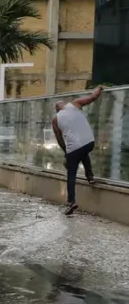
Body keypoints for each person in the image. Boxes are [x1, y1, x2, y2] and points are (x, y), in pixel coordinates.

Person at [53, 85, 102, 216]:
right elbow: (93, 97)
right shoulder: (75, 104)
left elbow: (59, 139)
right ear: (64, 104)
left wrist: (66, 153)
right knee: (83, 152)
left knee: (71, 175)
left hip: (74, 148)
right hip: (89, 142)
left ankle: (71, 202)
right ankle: (90, 177)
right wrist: (100, 88)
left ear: (57, 110)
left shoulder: (56, 119)